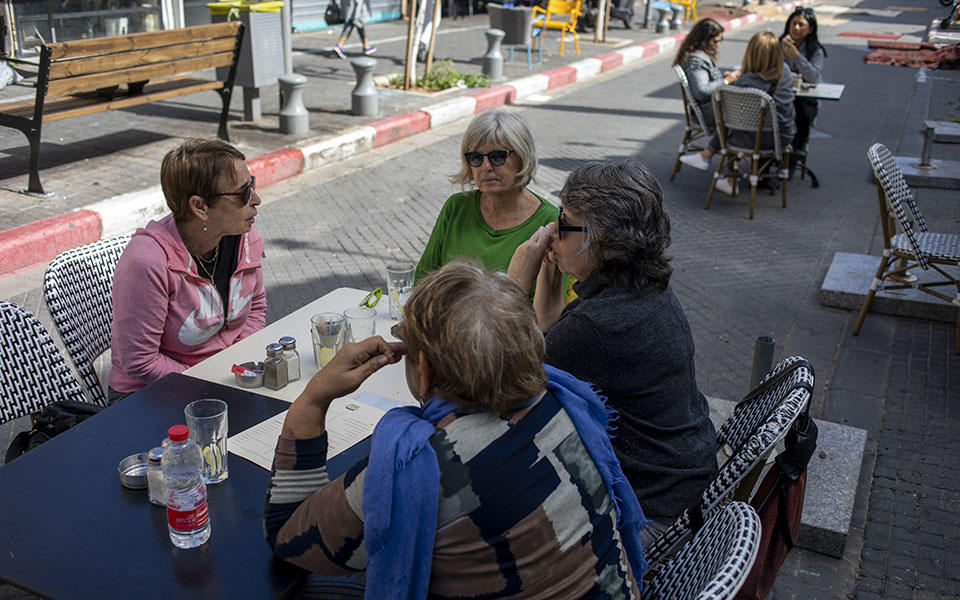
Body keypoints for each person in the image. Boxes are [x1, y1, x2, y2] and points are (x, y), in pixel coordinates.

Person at [264, 262, 649, 597]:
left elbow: (287, 535)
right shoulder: (562, 402)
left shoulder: (424, 464)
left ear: (425, 369)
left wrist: (313, 399)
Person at [508, 159, 718, 547]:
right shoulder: (641, 285)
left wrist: (514, 283)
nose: (553, 231)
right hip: (684, 485)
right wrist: (552, 276)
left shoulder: (597, 327)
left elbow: (502, 383)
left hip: (651, 518)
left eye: (566, 223)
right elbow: (550, 332)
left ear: (606, 247)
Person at [107, 138, 266, 400]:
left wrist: (235, 365)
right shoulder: (147, 262)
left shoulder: (241, 231)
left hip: (223, 380)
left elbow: (256, 306)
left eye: (252, 185)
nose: (256, 199)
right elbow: (140, 361)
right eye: (242, 194)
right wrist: (209, 382)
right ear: (199, 207)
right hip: (151, 394)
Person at [416, 109, 568, 298]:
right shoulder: (456, 207)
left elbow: (546, 314)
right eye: (476, 158)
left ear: (522, 157)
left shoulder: (550, 223)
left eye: (498, 157)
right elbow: (423, 282)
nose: (486, 167)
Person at [679, 31, 796, 196]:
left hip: (757, 140)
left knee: (730, 124)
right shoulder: (785, 73)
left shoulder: (746, 81)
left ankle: (725, 173)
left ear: (752, 54)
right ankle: (716, 166)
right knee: (736, 125)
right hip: (782, 137)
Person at [673, 18, 741, 129]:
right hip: (710, 112)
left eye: (720, 40)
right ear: (703, 40)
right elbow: (701, 91)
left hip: (715, 108)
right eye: (715, 41)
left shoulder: (701, 57)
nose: (718, 45)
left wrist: (727, 77)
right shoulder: (696, 61)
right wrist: (726, 81)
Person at [781, 7, 827, 161]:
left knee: (802, 111)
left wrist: (797, 56)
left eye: (801, 25)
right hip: (783, 95)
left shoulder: (815, 50)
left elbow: (814, 77)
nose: (796, 28)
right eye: (794, 24)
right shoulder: (780, 44)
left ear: (810, 29)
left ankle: (797, 150)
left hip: (805, 98)